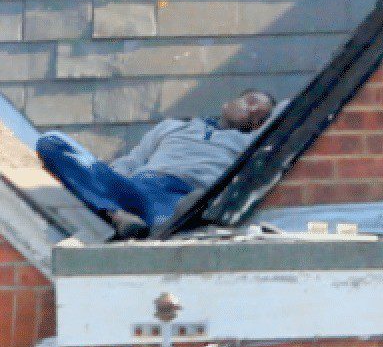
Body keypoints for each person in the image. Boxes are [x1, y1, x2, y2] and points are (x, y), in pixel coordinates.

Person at [35, 90, 276, 240]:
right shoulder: (172, 127)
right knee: (52, 142)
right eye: (251, 101)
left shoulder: (249, 144)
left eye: (260, 115)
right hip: (137, 185)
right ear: (229, 103)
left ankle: (143, 222)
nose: (253, 110)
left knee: (173, 218)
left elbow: (287, 117)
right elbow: (133, 161)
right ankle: (117, 214)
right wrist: (104, 181)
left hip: (181, 195)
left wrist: (266, 121)